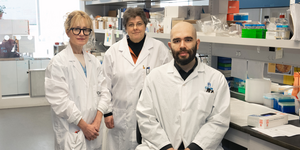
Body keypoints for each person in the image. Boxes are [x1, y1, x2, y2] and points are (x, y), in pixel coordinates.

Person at [136, 22, 230, 150]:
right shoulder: (154, 77)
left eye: (188, 40)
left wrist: (194, 148)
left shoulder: (216, 79)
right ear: (170, 46)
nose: (182, 46)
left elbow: (218, 121)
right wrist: (166, 147)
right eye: (176, 41)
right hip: (160, 147)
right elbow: (146, 118)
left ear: (197, 43)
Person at [102, 7, 172, 150]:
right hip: (119, 116)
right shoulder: (113, 52)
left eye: (139, 23)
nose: (135, 28)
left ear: (145, 25)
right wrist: (107, 112)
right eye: (131, 24)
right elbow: (104, 85)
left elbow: (170, 81)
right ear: (125, 28)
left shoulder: (159, 49)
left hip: (151, 117)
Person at [45, 10, 110, 150]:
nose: (81, 33)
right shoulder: (58, 63)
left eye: (86, 30)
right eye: (77, 29)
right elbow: (60, 102)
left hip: (95, 130)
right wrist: (85, 126)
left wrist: (97, 121)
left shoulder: (94, 62)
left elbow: (105, 92)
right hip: (72, 131)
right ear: (68, 32)